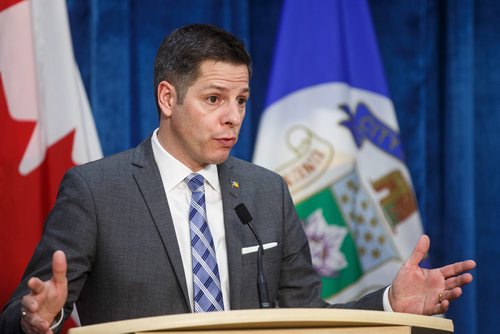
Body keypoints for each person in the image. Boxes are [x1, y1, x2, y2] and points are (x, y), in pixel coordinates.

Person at [0, 24, 475, 333]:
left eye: (242, 100)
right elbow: (19, 312)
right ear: (168, 98)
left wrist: (391, 303)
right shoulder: (97, 190)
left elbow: (308, 317)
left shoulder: (266, 192)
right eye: (214, 99)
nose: (233, 117)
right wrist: (38, 317)